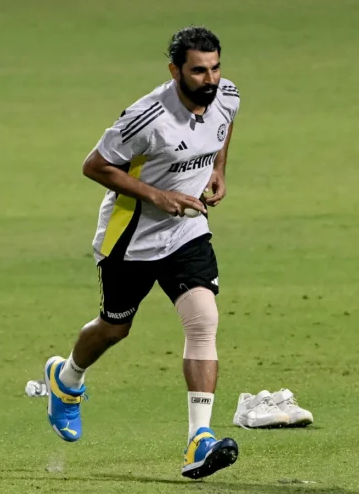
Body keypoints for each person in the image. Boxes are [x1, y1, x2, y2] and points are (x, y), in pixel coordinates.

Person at [43, 26, 240, 480]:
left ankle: (199, 440)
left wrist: (217, 171)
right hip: (130, 240)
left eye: (214, 68)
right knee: (114, 329)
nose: (209, 79)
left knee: (203, 320)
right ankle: (66, 379)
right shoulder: (147, 117)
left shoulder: (226, 95)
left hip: (186, 234)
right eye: (198, 71)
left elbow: (223, 128)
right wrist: (157, 196)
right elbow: (94, 165)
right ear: (175, 71)